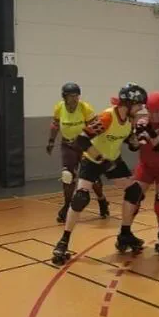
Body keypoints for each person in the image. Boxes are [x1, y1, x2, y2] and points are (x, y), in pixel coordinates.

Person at [52, 83, 148, 265]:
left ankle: (125, 234)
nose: (141, 109)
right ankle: (63, 241)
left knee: (134, 191)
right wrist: (101, 159)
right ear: (128, 104)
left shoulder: (129, 119)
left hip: (113, 160)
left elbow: (127, 139)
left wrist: (137, 141)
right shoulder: (107, 117)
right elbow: (81, 139)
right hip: (93, 160)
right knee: (81, 197)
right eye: (139, 105)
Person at [117, 91, 159, 255]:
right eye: (151, 111)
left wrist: (149, 132)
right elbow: (135, 146)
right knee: (133, 197)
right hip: (146, 166)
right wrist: (134, 138)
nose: (153, 115)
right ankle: (125, 233)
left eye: (157, 112)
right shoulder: (142, 121)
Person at [46, 82, 109, 222]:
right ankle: (67, 205)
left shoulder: (85, 108)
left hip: (85, 146)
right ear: (64, 97)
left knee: (93, 178)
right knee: (67, 176)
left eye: (76, 96)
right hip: (68, 145)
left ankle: (102, 200)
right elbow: (55, 124)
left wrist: (95, 146)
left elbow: (96, 127)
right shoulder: (59, 107)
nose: (74, 99)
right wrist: (51, 141)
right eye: (71, 96)